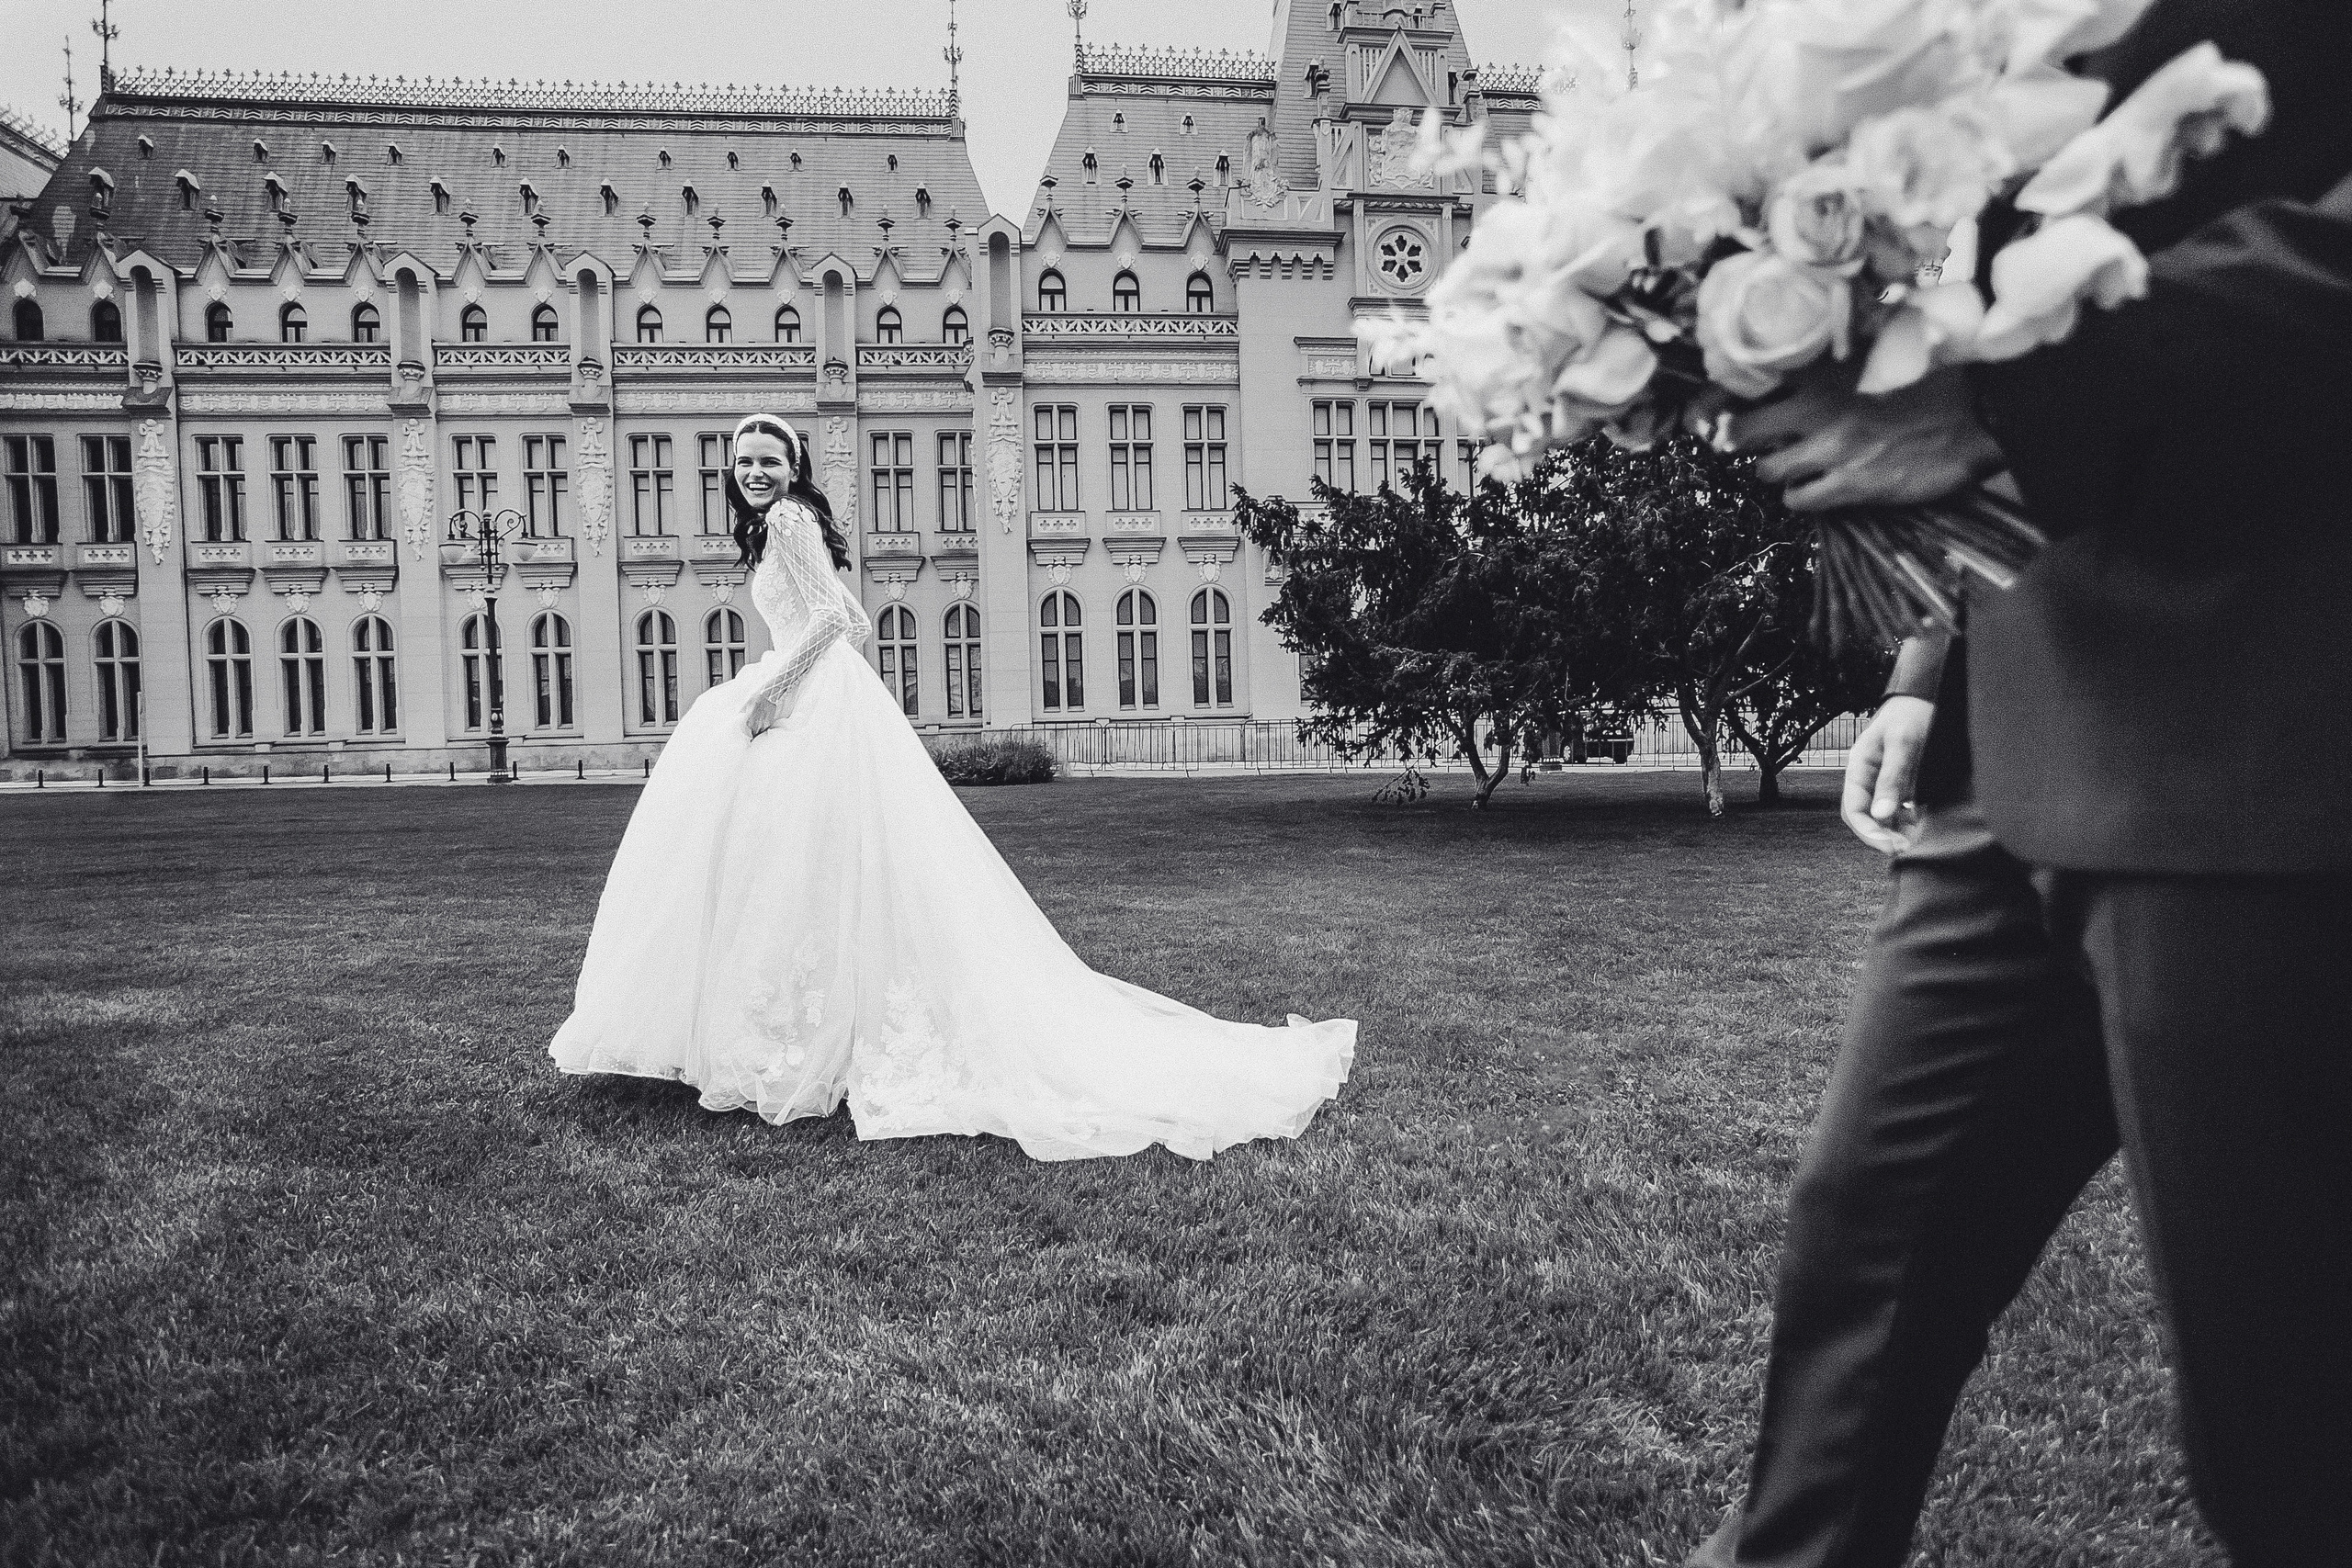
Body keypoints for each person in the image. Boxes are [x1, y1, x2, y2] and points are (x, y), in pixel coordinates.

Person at [1688, 1, 2352, 1563]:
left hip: (2261, 717)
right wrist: (1936, 668)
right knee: (1864, 1260)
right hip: (2020, 723)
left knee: (2285, 1426)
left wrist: (2015, 403)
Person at [550, 413, 1355, 1162]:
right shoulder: (774, 527)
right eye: (744, 461)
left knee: (790, 862)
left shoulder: (791, 520)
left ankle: (786, 1036)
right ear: (731, 471)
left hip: (812, 694)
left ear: (795, 468)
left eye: (771, 459)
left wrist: (771, 691)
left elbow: (843, 620)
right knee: (813, 865)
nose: (756, 471)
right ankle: (789, 1031)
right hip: (817, 696)